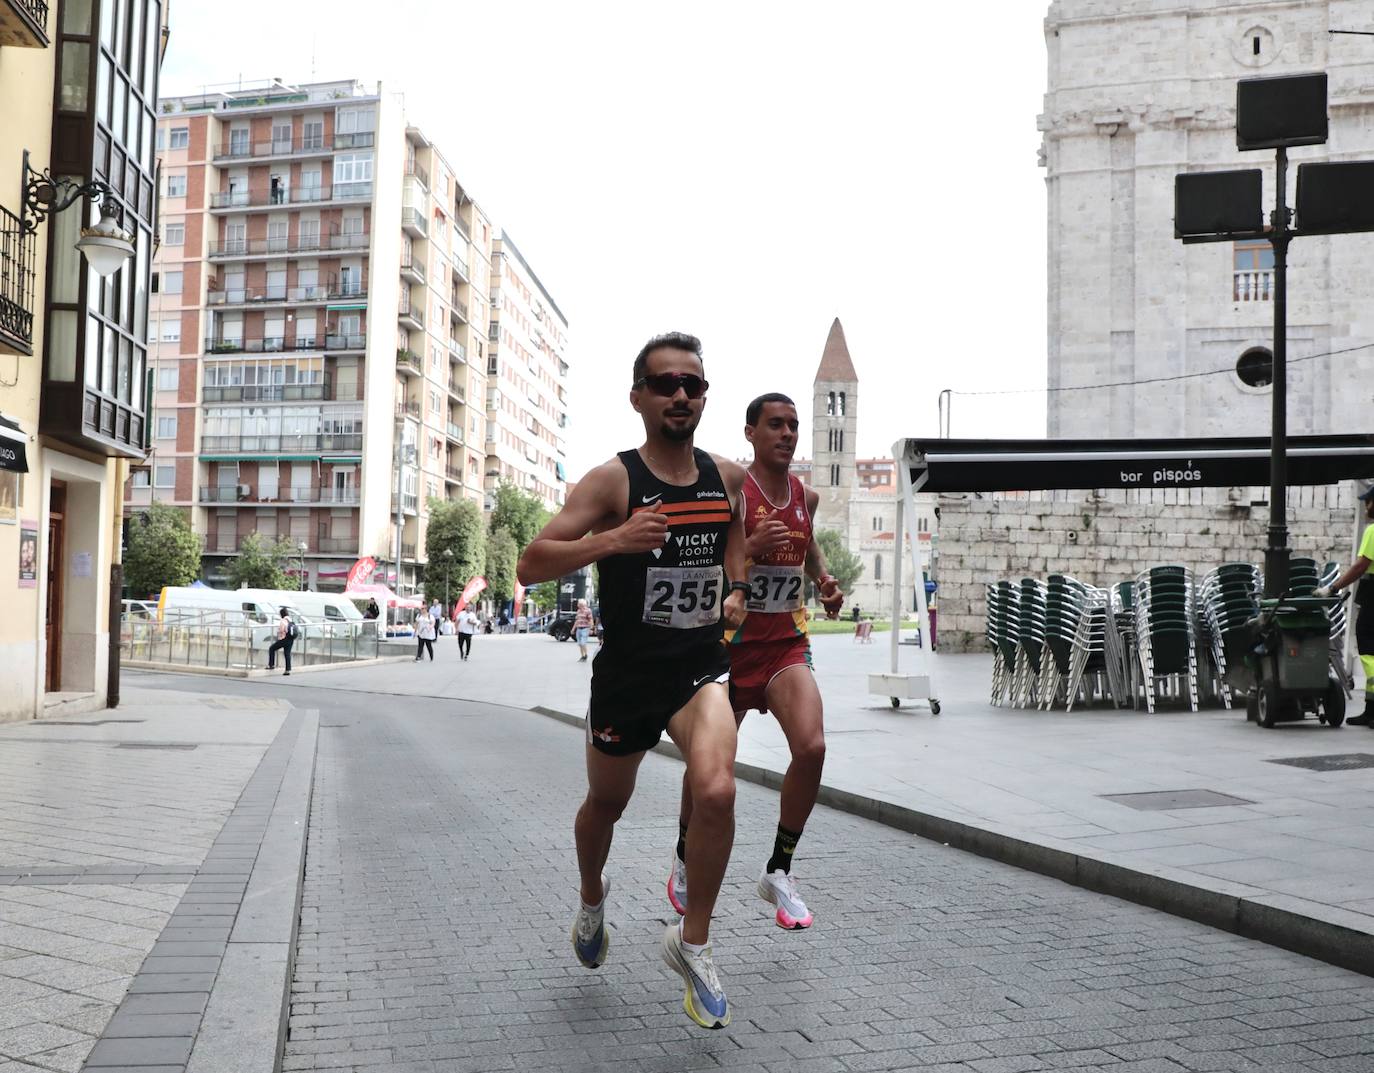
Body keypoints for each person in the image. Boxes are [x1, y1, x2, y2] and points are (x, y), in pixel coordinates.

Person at [516, 331, 748, 1030]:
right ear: (639, 397)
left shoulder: (726, 477)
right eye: (668, 383)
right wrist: (613, 540)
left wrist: (736, 584)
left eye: (694, 385)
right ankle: (592, 895)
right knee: (605, 806)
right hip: (626, 676)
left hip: (699, 665)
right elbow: (531, 564)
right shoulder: (613, 481)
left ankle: (693, 940)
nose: (682, 394)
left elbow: (735, 528)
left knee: (716, 787)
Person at [671, 393, 843, 933]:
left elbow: (807, 544)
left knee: (812, 746)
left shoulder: (805, 497)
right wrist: (749, 553)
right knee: (709, 766)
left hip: (784, 644)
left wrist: (824, 579)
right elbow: (707, 557)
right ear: (751, 433)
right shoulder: (733, 491)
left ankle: (779, 869)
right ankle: (682, 853)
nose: (788, 434)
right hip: (726, 647)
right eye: (776, 425)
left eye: (793, 425)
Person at [1317, 484, 1374, 725]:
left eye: (1369, 501)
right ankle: (1371, 710)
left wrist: (1332, 587)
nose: (1365, 506)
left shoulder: (1373, 531)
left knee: (1370, 651)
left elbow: (1361, 566)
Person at [266, 607, 296, 676]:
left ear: (281, 614)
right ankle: (287, 670)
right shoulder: (290, 619)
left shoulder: (283, 620)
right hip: (291, 639)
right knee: (287, 654)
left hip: (284, 639)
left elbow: (281, 630)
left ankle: (271, 665)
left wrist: (279, 634)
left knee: (272, 648)